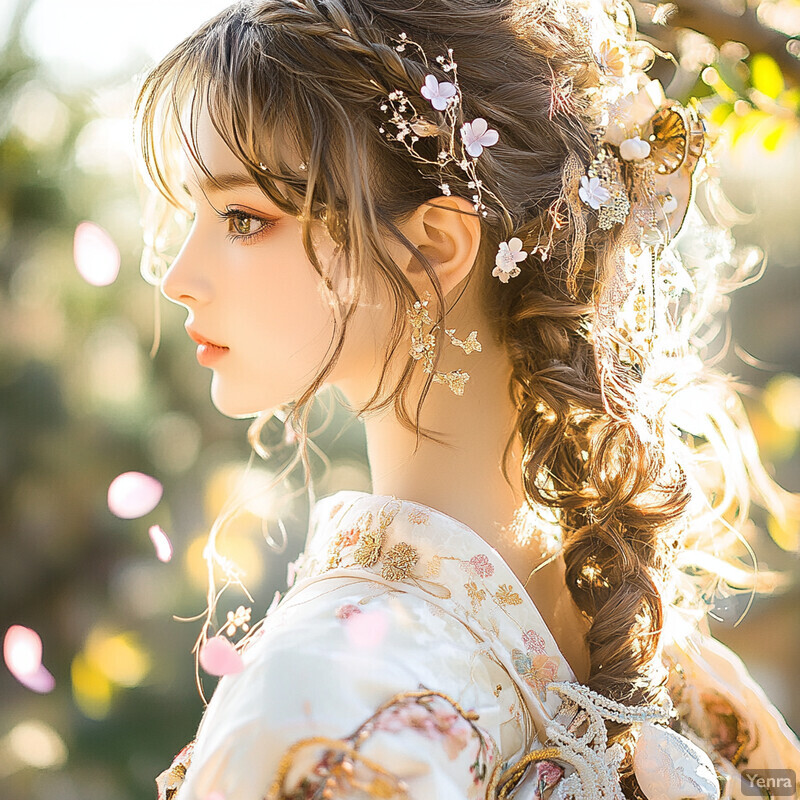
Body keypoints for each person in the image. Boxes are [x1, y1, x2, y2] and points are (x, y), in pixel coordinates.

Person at [132, 0, 800, 798]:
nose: (178, 278)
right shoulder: (671, 670)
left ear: (433, 249)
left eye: (243, 217)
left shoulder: (322, 701)